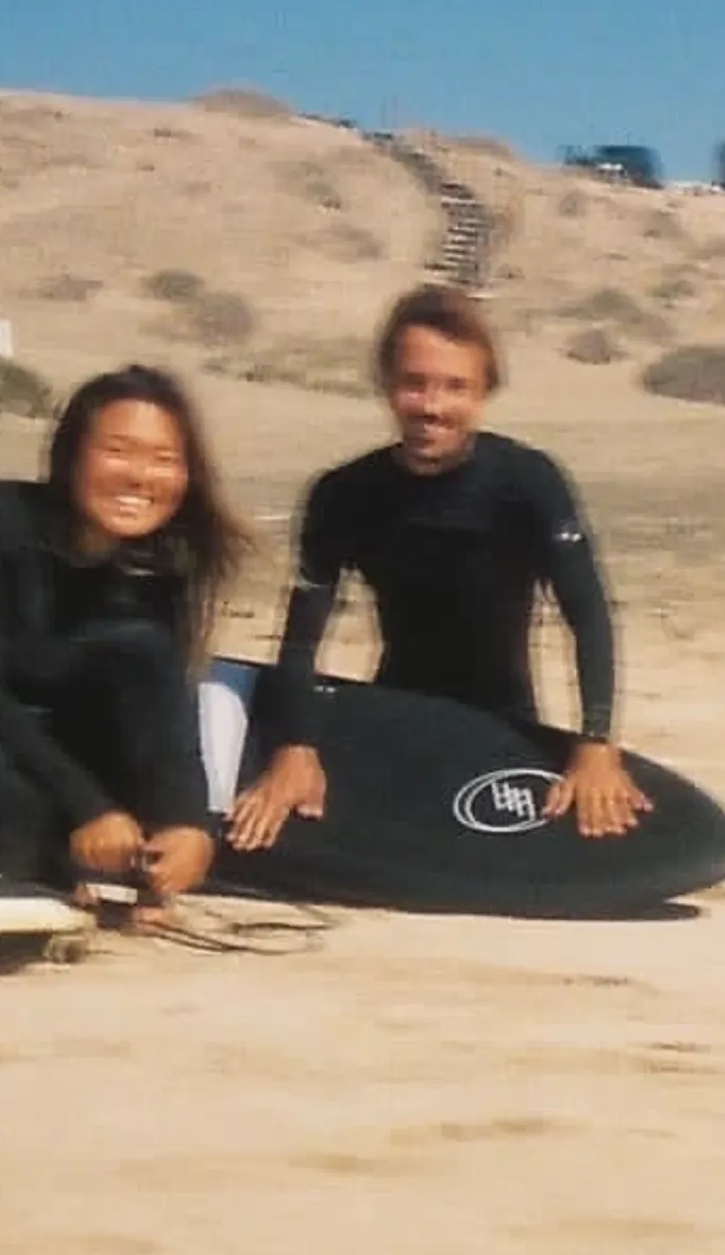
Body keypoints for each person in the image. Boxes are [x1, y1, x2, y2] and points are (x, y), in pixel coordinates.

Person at [226, 284, 648, 846]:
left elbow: (589, 616)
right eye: (414, 383)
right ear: (387, 383)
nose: (432, 406)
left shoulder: (528, 482)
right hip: (398, 716)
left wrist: (595, 744)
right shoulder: (344, 493)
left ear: (484, 391)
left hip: (505, 725)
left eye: (455, 387)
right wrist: (294, 747)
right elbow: (302, 639)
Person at [0, 364, 247, 911]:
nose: (140, 477)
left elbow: (170, 706)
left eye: (164, 460)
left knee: (144, 651)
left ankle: (133, 862)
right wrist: (89, 807)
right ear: (70, 455)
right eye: (118, 451)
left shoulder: (165, 563)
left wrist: (189, 823)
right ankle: (75, 862)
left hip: (81, 796)